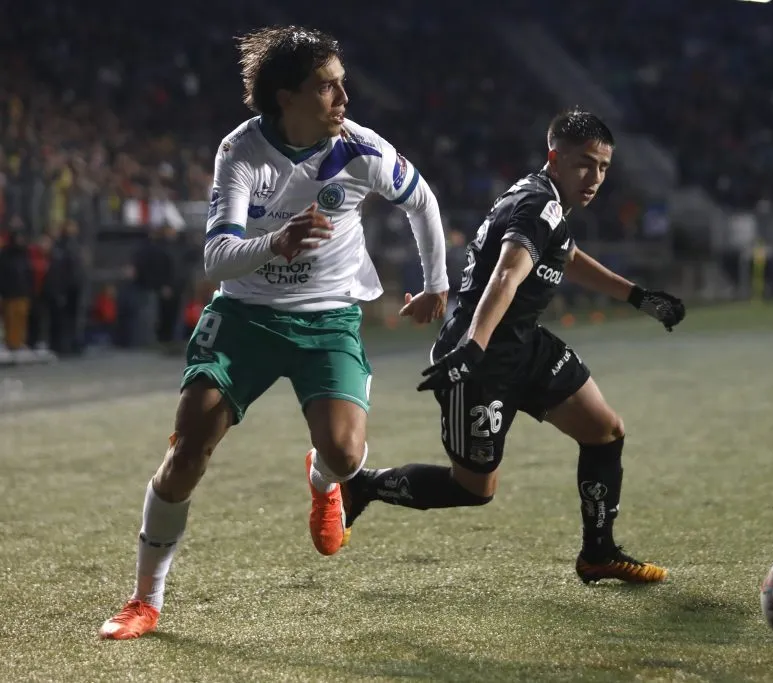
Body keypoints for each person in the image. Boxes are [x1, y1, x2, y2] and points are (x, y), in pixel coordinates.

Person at [99, 25, 449, 639]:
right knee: (188, 449)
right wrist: (276, 242)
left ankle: (324, 480)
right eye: (327, 87)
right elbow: (216, 259)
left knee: (346, 455)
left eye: (342, 84)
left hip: (328, 317)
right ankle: (144, 601)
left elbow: (421, 201)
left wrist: (436, 283)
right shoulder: (241, 152)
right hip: (246, 316)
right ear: (286, 97)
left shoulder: (362, 149)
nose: (344, 98)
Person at [334, 109, 685, 584]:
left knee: (605, 431)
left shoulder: (549, 202)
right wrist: (475, 346)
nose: (595, 178)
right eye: (585, 164)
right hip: (478, 361)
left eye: (603, 167)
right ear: (555, 159)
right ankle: (363, 485)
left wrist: (637, 296)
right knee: (474, 489)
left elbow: (568, 257)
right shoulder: (538, 205)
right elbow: (507, 274)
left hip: (525, 344)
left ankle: (598, 553)